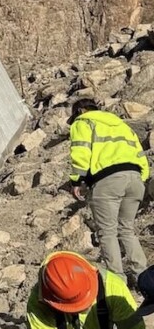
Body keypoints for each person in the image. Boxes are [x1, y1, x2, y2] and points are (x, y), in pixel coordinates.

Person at [67, 96, 149, 282]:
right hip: (135, 178)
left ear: (80, 111)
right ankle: (145, 278)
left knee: (107, 232)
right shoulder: (120, 124)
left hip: (107, 181)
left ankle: (117, 283)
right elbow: (139, 154)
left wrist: (76, 180)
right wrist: (140, 178)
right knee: (127, 230)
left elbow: (81, 151)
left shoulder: (83, 122)